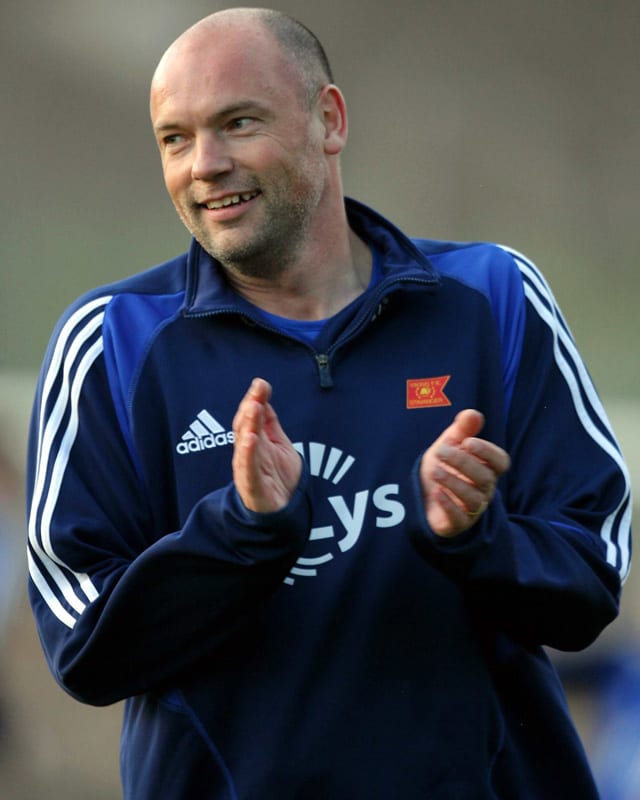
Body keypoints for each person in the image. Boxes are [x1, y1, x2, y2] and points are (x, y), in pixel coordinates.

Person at [27, 8, 631, 799]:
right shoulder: (112, 341)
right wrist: (244, 532)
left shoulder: (494, 296)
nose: (205, 164)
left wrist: (475, 538)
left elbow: (589, 583)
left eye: (238, 123)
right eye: (176, 138)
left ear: (329, 120)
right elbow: (85, 649)